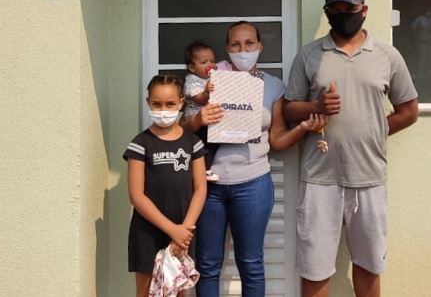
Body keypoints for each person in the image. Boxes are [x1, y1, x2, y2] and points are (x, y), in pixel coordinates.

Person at [283, 0, 419, 297]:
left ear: (365, 10)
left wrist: (374, 129)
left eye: (350, 9)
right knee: (315, 269)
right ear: (327, 12)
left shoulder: (387, 55)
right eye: (336, 9)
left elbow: (409, 110)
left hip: (369, 176)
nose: (343, 15)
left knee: (369, 266)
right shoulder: (309, 56)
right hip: (319, 177)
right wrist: (315, 107)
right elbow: (289, 110)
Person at [180, 21, 325, 297]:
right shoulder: (213, 81)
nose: (242, 50)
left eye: (249, 44)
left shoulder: (273, 86)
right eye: (235, 44)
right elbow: (181, 131)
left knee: (252, 265)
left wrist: (303, 129)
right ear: (227, 48)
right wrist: (199, 118)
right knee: (207, 265)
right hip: (208, 185)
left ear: (260, 47)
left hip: (253, 184)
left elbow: (278, 140)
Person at [124, 74, 208, 297]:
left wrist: (183, 231)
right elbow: (136, 195)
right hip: (147, 233)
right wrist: (172, 230)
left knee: (178, 293)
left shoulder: (193, 142)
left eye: (170, 104)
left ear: (181, 103)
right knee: (145, 293)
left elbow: (200, 188)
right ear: (148, 102)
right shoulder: (140, 144)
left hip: (184, 232)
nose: (163, 109)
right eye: (157, 104)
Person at [182, 41, 220, 182]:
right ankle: (203, 170)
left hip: (208, 119)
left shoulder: (210, 78)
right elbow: (199, 99)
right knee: (205, 146)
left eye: (212, 61)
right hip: (197, 120)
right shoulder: (192, 81)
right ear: (192, 68)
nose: (210, 64)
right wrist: (207, 92)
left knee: (211, 145)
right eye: (204, 62)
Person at [410, 9, 431, 80]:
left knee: (430, 57)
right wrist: (417, 35)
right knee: (423, 57)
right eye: (427, 11)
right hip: (422, 41)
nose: (429, 13)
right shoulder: (420, 19)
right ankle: (420, 73)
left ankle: (429, 72)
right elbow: (413, 26)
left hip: (430, 41)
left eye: (430, 12)